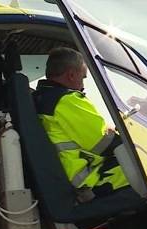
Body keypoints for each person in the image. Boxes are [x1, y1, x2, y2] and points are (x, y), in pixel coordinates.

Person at [32, 47, 129, 202]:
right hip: (88, 182)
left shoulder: (42, 98)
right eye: (82, 78)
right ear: (71, 75)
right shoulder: (67, 99)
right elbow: (106, 144)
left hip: (69, 179)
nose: (83, 85)